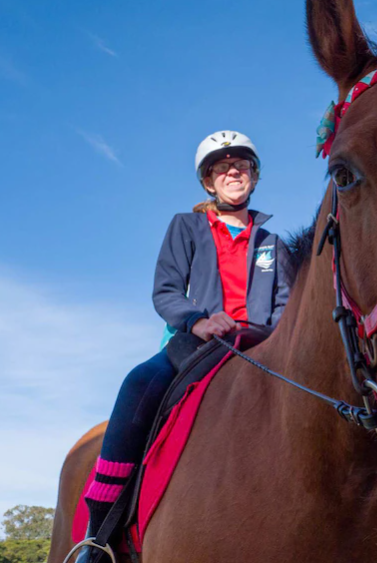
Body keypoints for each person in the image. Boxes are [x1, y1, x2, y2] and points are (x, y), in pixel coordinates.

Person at [77, 130, 290, 561]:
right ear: (209, 183)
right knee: (137, 385)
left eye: (242, 166)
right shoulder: (187, 226)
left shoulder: (273, 244)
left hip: (262, 349)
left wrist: (278, 337)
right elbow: (166, 292)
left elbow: (286, 302)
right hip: (196, 344)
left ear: (254, 177)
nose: (234, 171)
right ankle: (97, 536)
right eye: (222, 167)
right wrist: (199, 321)